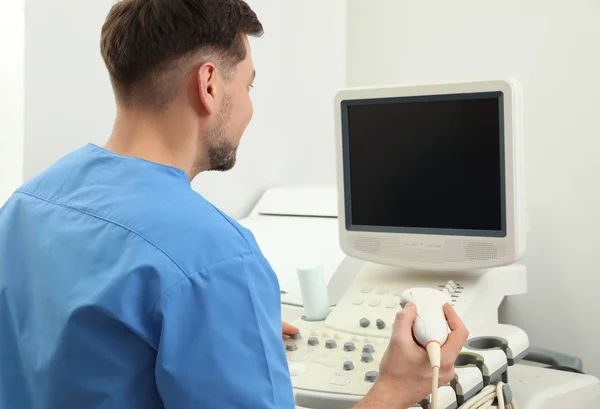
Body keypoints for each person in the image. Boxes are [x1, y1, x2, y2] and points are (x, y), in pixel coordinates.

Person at [0, 0, 469, 408]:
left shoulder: (25, 204)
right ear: (208, 85)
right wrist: (394, 388)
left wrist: (230, 323)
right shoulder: (216, 259)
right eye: (248, 85)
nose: (247, 107)